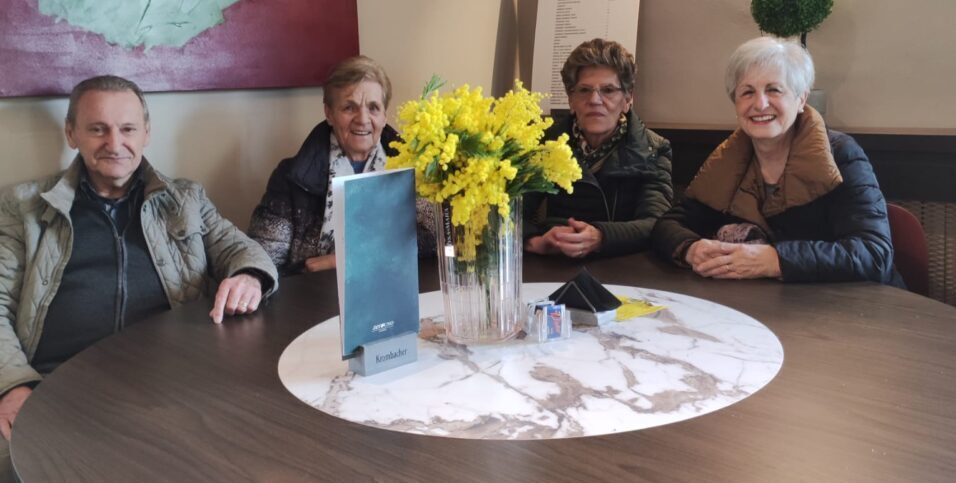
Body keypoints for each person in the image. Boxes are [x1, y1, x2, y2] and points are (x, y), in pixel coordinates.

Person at [0, 75, 279, 479]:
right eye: (98, 129)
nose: (115, 143)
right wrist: (12, 385)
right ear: (71, 133)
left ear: (146, 133)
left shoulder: (186, 199)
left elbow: (244, 251)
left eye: (127, 129)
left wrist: (249, 277)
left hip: (174, 387)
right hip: (55, 389)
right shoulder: (22, 207)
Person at [651, 37, 901, 285]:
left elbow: (874, 254)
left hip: (853, 303)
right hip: (767, 303)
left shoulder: (841, 154)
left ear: (801, 99)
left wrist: (776, 259)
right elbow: (668, 224)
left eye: (774, 90)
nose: (760, 104)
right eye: (747, 92)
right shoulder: (729, 158)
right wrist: (691, 248)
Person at [248, 56, 435, 275]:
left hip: (396, 287)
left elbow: (437, 240)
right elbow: (262, 264)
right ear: (329, 113)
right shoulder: (290, 177)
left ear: (384, 116)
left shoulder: (414, 168)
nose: (363, 119)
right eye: (349, 107)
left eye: (373, 108)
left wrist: (347, 260)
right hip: (316, 292)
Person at [523, 38, 673, 259]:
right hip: (558, 262)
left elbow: (657, 223)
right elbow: (509, 213)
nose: (594, 100)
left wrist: (601, 236)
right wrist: (536, 242)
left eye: (608, 90)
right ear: (571, 100)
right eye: (584, 90)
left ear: (627, 99)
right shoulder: (546, 144)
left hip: (624, 265)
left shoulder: (654, 149)